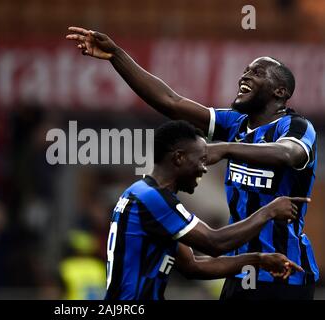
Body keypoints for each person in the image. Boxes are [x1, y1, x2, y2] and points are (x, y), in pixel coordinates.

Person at [66, 27, 318, 300]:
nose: (245, 76)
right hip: (241, 273)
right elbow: (171, 102)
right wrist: (117, 56)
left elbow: (290, 154)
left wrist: (224, 148)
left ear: (280, 92)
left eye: (257, 73)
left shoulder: (296, 126)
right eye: (245, 70)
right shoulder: (234, 123)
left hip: (285, 272)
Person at [104, 120, 304, 300]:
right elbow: (214, 242)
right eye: (201, 160)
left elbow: (193, 266)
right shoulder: (152, 198)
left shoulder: (143, 194)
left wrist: (258, 260)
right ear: (179, 158)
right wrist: (268, 211)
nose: (204, 168)